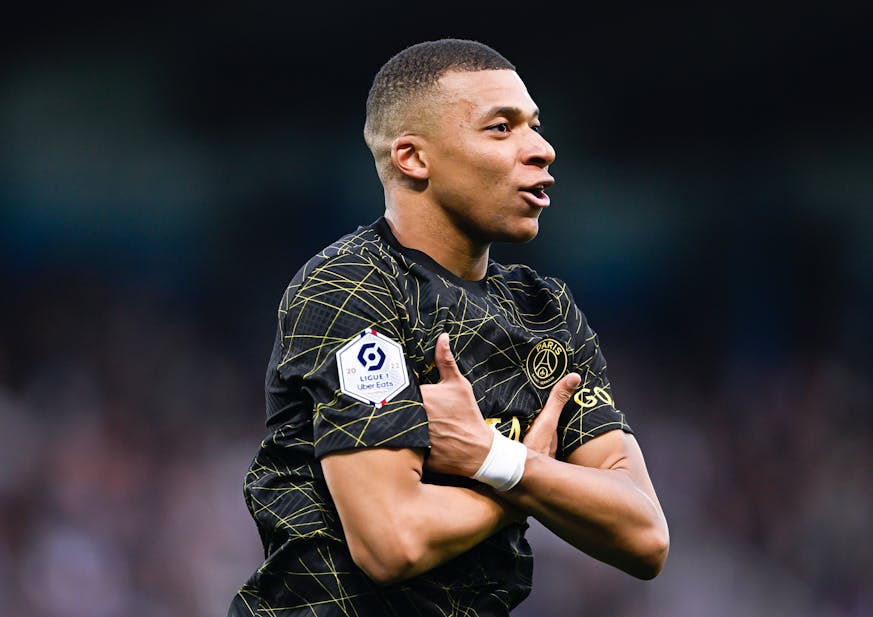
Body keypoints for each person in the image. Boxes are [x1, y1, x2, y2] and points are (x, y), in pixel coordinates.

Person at [228, 38, 669, 617]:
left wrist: (496, 460)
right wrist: (523, 484)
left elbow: (644, 536)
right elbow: (392, 542)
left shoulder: (546, 311)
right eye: (501, 128)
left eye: (535, 126)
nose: (542, 149)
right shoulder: (351, 287)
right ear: (413, 158)